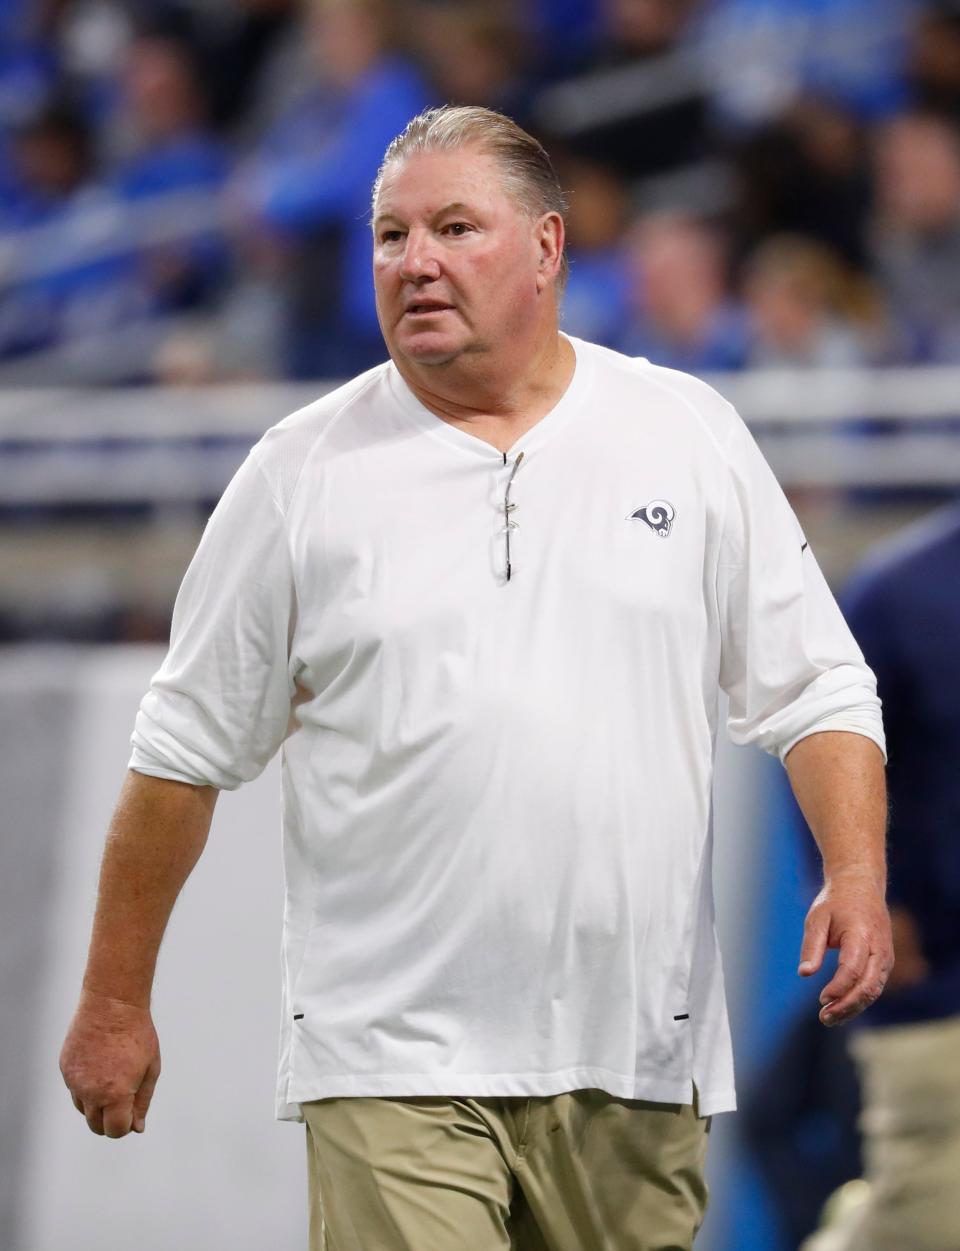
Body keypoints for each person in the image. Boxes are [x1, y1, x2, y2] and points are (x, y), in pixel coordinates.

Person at [59, 105, 893, 1251]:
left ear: (548, 248)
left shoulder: (686, 434)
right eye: (392, 235)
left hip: (637, 1055)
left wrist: (855, 870)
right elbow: (181, 756)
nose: (418, 261)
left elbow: (820, 692)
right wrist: (114, 1002)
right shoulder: (298, 475)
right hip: (390, 1059)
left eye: (456, 226)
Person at [800, 501, 960, 1251]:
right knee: (928, 1220)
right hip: (947, 987)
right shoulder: (902, 590)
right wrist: (875, 898)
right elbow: (831, 737)